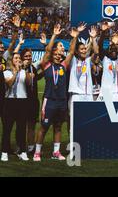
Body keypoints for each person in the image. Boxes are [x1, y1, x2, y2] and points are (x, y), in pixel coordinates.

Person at [33, 23, 80, 162]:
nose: (60, 54)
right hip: (49, 101)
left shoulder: (63, 66)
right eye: (57, 52)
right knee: (44, 127)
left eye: (60, 53)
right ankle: (37, 153)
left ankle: (56, 152)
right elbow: (47, 51)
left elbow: (71, 52)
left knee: (58, 126)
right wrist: (54, 35)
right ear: (52, 53)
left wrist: (74, 38)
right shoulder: (46, 65)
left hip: (62, 101)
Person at [1, 53, 30, 161]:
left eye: (19, 58)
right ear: (12, 60)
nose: (18, 60)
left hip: (22, 102)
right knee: (7, 128)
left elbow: (28, 83)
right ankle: (4, 152)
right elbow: (9, 84)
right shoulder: (6, 73)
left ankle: (22, 151)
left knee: (22, 128)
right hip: (10, 102)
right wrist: (16, 72)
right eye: (16, 58)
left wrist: (25, 70)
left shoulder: (23, 72)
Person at [68, 25, 98, 108]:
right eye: (82, 49)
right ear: (77, 52)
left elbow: (96, 52)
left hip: (88, 94)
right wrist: (76, 36)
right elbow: (71, 50)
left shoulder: (88, 61)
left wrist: (93, 38)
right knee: (75, 120)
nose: (84, 51)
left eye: (85, 49)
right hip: (76, 95)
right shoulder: (73, 61)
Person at [98, 22, 118, 101]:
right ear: (108, 50)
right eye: (111, 49)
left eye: (115, 49)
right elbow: (100, 47)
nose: (113, 51)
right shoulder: (105, 60)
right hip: (106, 93)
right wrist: (103, 32)